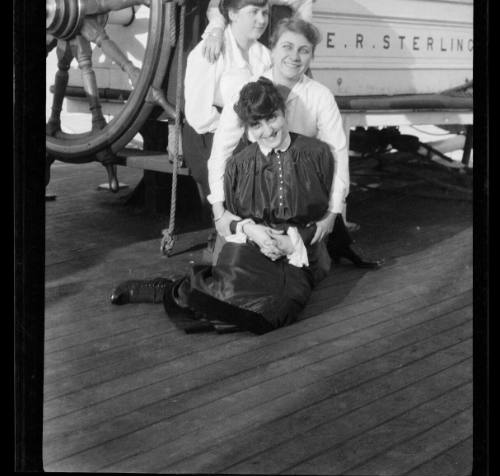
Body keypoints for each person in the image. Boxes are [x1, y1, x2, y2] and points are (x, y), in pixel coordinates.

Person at [111, 79, 366, 334]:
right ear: (246, 129)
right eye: (256, 124)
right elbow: (229, 221)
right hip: (252, 245)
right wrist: (252, 231)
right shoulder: (239, 165)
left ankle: (184, 293)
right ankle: (167, 290)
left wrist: (293, 241)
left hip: (299, 251)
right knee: (226, 292)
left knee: (279, 309)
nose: (267, 130)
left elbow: (324, 218)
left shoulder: (317, 154)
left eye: (272, 118)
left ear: (284, 113)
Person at [207, 17, 352, 245]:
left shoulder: (320, 96)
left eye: (304, 50)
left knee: (301, 261)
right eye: (287, 47)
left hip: (302, 194)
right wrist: (219, 211)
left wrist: (331, 215)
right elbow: (221, 150)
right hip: (256, 191)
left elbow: (337, 155)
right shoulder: (247, 89)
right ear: (272, 50)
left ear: (311, 57)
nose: (294, 57)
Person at [183, 0, 272, 198]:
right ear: (232, 14)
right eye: (254, 12)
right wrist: (242, 135)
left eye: (265, 13)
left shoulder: (264, 55)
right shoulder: (209, 51)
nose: (262, 20)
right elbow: (198, 115)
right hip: (208, 139)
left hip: (251, 137)